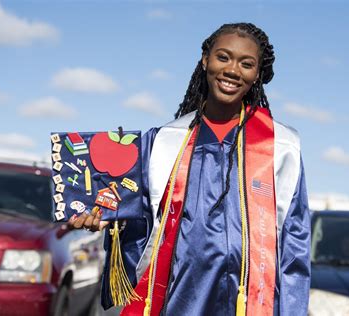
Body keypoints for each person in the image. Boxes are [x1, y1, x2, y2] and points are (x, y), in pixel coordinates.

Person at [69, 22, 310, 316]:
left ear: (257, 74)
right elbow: (140, 221)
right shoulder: (164, 142)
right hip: (179, 295)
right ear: (205, 59)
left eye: (246, 64)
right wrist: (107, 220)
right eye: (223, 57)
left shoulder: (280, 147)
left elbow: (293, 244)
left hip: (250, 301)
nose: (233, 70)